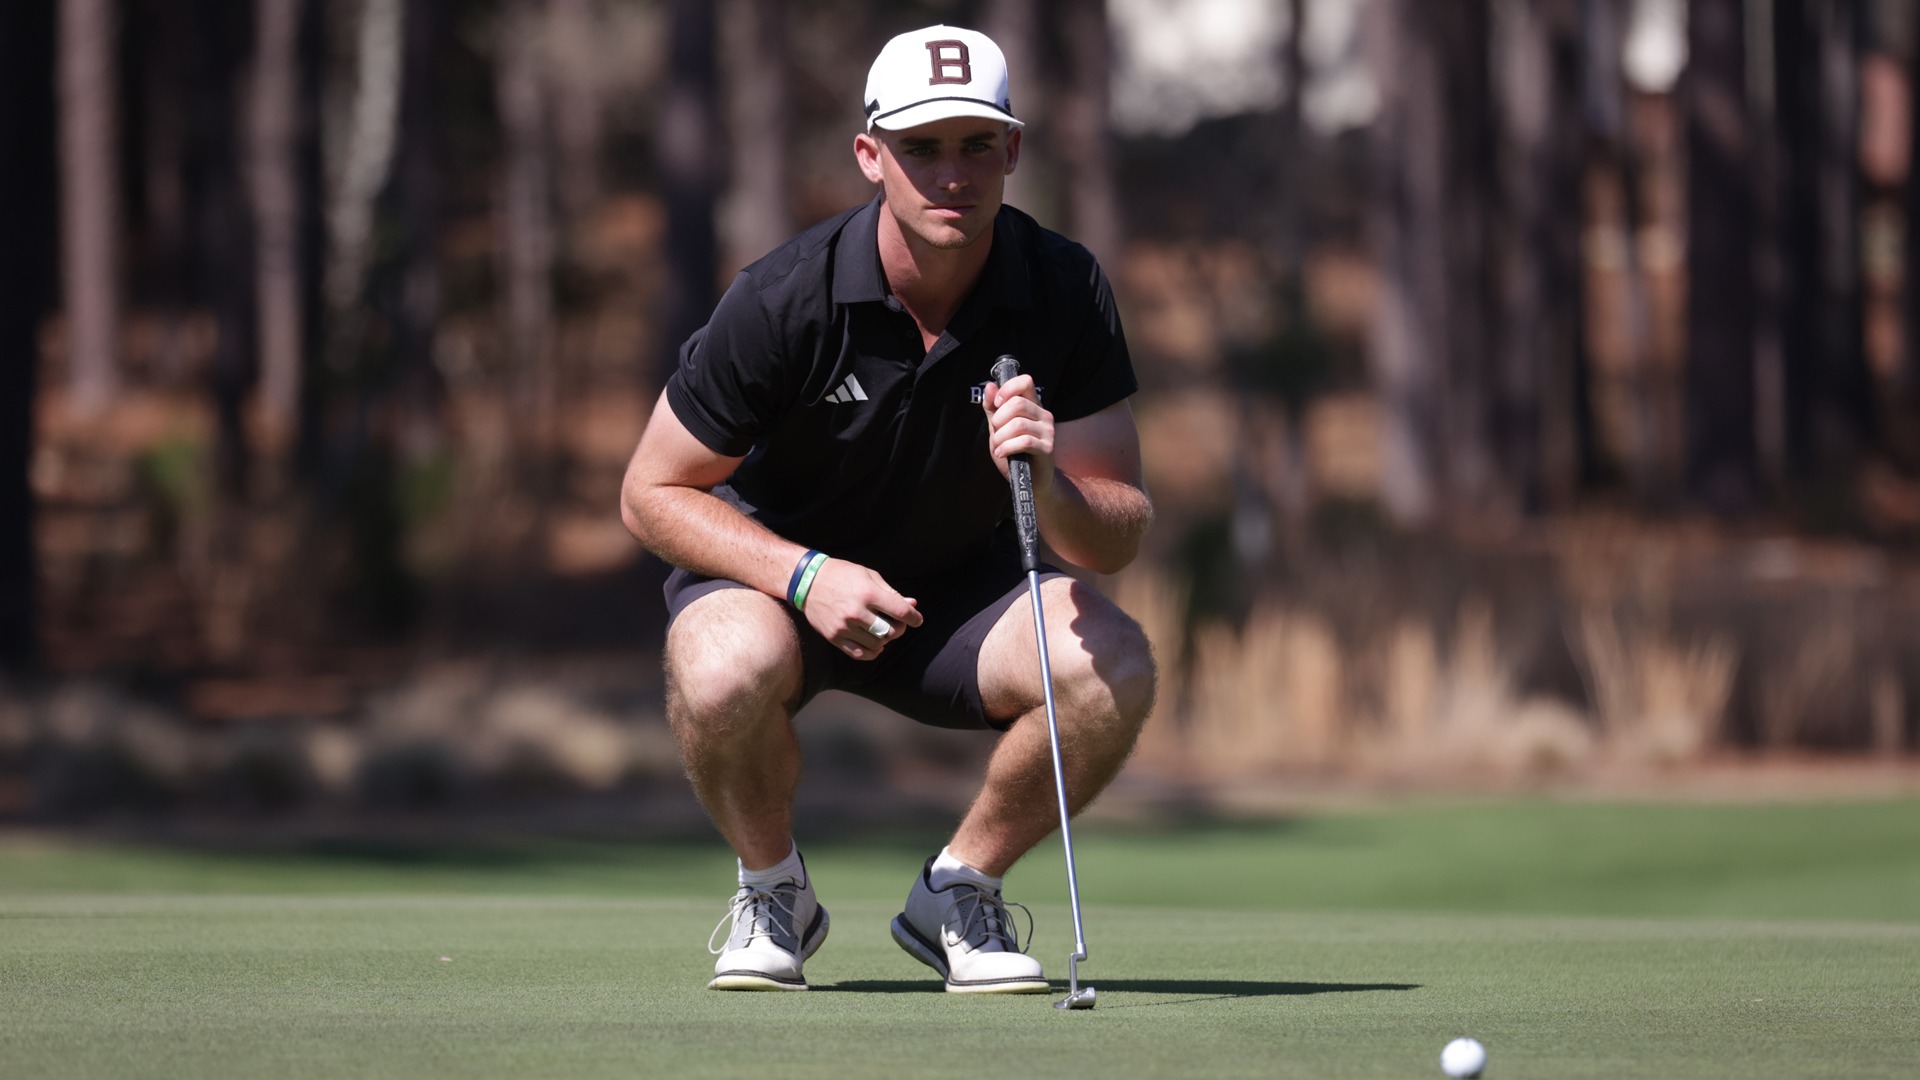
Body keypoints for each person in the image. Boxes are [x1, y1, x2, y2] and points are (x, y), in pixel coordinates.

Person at [620, 23, 1155, 994]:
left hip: (962, 604)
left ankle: (960, 890)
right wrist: (804, 575)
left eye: (976, 145)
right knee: (719, 667)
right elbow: (649, 492)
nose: (952, 175)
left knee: (1111, 665)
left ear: (1013, 152)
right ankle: (772, 887)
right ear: (871, 156)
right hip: (781, 588)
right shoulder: (787, 299)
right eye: (920, 149)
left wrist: (1049, 480)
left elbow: (1117, 530)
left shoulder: (1064, 285)